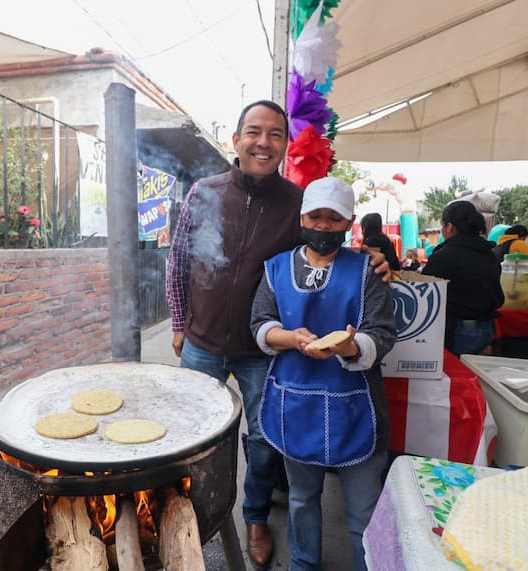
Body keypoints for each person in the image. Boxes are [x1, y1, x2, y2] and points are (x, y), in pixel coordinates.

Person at [165, 100, 390, 568]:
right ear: (236, 139)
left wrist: (377, 260)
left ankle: (254, 519)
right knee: (194, 435)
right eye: (253, 131)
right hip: (202, 343)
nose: (262, 142)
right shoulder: (203, 192)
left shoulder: (295, 204)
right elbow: (178, 262)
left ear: (285, 145)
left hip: (260, 349)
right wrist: (181, 323)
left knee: (265, 441)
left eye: (274, 134)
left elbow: (320, 257)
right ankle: (183, 517)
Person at [250, 176, 396, 571]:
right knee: (301, 500)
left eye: (334, 218)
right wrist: (289, 337)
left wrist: (352, 347)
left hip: (356, 409)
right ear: (303, 217)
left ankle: (368, 564)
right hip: (294, 405)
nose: (324, 225)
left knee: (363, 510)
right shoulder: (277, 269)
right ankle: (303, 563)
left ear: (348, 223)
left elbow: (383, 333)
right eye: (316, 216)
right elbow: (260, 322)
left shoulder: (367, 270)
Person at [422, 201, 505, 356]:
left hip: (457, 332)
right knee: (476, 377)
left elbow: (424, 293)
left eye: (442, 226)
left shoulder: (444, 255)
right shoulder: (489, 254)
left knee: (456, 376)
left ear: (450, 227)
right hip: (486, 329)